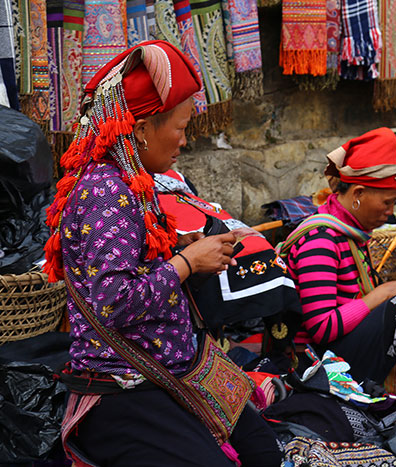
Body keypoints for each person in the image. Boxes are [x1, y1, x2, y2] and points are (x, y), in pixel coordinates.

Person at [43, 41, 281, 466]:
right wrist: (186, 263)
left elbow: (137, 269)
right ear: (141, 129)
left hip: (173, 370)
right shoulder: (106, 192)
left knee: (263, 451)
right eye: (181, 128)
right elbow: (114, 301)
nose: (185, 141)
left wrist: (186, 256)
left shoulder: (135, 182)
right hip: (125, 387)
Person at [280, 127, 396, 419]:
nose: (389, 214)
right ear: (358, 194)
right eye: (387, 203)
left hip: (346, 348)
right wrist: (384, 293)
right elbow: (322, 328)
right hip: (322, 365)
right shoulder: (320, 240)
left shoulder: (350, 233)